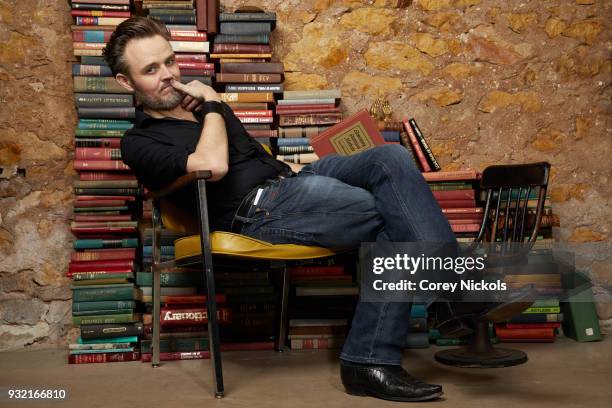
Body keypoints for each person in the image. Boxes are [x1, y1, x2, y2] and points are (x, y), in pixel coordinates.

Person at [103, 17, 531, 402]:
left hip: (291, 182)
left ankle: (397, 338)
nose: (169, 76)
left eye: (170, 62)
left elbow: (262, 159)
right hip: (258, 212)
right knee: (389, 212)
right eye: (151, 70)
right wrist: (214, 104)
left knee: (391, 159)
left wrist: (306, 168)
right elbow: (213, 167)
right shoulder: (139, 141)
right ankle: (417, 323)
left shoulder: (202, 108)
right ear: (127, 84)